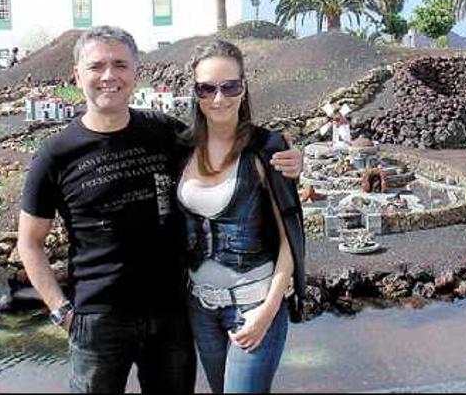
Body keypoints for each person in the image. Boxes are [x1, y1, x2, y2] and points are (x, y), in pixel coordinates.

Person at [16, 26, 303, 394]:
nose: (109, 75)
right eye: (96, 66)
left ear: (135, 72)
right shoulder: (55, 155)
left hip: (172, 315)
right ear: (77, 74)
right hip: (99, 318)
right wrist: (60, 310)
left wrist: (291, 157)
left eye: (119, 64)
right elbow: (30, 242)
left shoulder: (165, 132)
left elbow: (228, 139)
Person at [178, 40, 305, 393]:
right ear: (195, 92)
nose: (218, 98)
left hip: (254, 303)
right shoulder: (181, 148)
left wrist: (267, 312)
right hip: (200, 306)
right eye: (206, 88)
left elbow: (289, 240)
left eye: (229, 86)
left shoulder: (268, 148)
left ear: (243, 87)